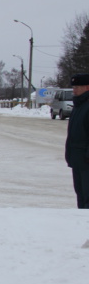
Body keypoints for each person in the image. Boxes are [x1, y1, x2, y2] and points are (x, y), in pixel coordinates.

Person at [65, 73, 89, 208]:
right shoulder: (78, 106)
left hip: (86, 161)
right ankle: (81, 221)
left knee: (87, 195)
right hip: (77, 159)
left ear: (87, 87)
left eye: (77, 87)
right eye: (73, 87)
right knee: (80, 193)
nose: (74, 90)